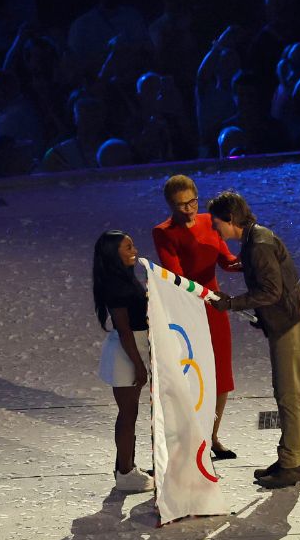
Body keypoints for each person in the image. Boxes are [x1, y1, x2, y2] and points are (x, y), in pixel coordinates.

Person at [207, 192, 300, 489]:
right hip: (287, 321)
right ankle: (288, 459)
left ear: (230, 219)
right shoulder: (254, 240)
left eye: (217, 223)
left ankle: (293, 465)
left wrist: (231, 304)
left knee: (290, 396)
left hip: (292, 324)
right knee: (286, 394)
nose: (215, 229)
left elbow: (272, 292)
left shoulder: (258, 245)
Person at [151, 175, 242, 461]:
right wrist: (202, 295)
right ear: (170, 205)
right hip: (188, 308)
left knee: (222, 376)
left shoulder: (209, 221)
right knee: (193, 375)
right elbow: (176, 275)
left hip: (214, 306)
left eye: (192, 202)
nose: (188, 209)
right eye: (181, 205)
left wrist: (251, 261)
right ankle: (193, 439)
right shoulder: (163, 231)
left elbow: (226, 260)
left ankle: (212, 436)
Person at [92, 231, 154, 494]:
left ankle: (126, 466)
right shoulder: (115, 285)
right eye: (128, 247)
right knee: (128, 414)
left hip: (134, 348)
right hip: (127, 352)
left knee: (130, 414)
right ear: (113, 254)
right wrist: (139, 365)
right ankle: (125, 472)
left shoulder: (124, 278)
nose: (134, 250)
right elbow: (125, 330)